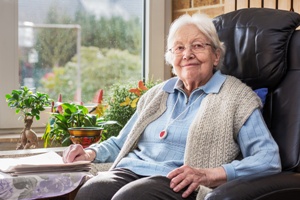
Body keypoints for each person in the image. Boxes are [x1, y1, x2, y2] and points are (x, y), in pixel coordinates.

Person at [63, 13, 281, 200]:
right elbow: (122, 143)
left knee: (130, 197)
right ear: (171, 58)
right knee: (90, 192)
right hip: (132, 170)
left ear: (216, 56)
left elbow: (268, 159)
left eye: (197, 45)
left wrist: (210, 174)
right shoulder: (156, 95)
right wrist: (90, 153)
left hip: (175, 180)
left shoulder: (236, 96)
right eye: (179, 48)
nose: (187, 54)